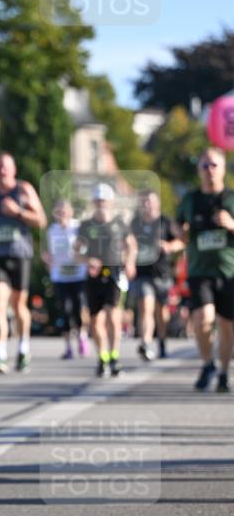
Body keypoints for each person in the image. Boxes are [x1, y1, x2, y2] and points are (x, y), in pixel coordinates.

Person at [0, 152, 47, 374]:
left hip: (19, 254)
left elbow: (41, 220)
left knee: (19, 306)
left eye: (6, 167)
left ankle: (23, 348)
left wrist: (18, 211)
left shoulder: (23, 189)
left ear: (13, 170)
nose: (2, 171)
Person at [176, 148, 234, 392]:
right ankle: (208, 363)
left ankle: (223, 372)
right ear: (198, 169)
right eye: (204, 165)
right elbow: (178, 225)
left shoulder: (231, 198)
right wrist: (181, 233)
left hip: (229, 272)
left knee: (227, 326)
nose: (209, 170)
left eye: (214, 165)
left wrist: (231, 224)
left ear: (223, 168)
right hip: (199, 271)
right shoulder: (190, 199)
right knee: (203, 320)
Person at [77, 183, 137, 377]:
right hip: (94, 276)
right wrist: (87, 261)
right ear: (94, 203)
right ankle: (102, 358)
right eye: (98, 201)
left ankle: (114, 357)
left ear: (110, 202)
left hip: (114, 274)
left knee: (113, 316)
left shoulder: (119, 224)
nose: (101, 204)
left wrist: (129, 262)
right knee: (95, 321)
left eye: (104, 201)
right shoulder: (86, 226)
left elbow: (131, 245)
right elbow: (76, 251)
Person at [130, 190, 184, 360]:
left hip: (162, 273)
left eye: (150, 201)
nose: (147, 205)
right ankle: (146, 342)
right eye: (144, 202)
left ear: (157, 203)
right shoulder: (135, 223)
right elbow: (128, 244)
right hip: (142, 273)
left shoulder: (166, 221)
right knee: (145, 307)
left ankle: (161, 341)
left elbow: (181, 240)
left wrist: (169, 246)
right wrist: (129, 261)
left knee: (162, 313)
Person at [43, 198, 89, 359]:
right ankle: (68, 346)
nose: (62, 214)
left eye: (64, 210)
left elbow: (86, 248)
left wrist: (80, 253)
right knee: (65, 310)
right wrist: (47, 260)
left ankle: (82, 335)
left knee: (79, 308)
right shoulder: (52, 230)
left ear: (70, 212)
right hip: (60, 275)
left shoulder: (77, 227)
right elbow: (48, 251)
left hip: (78, 275)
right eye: (59, 211)